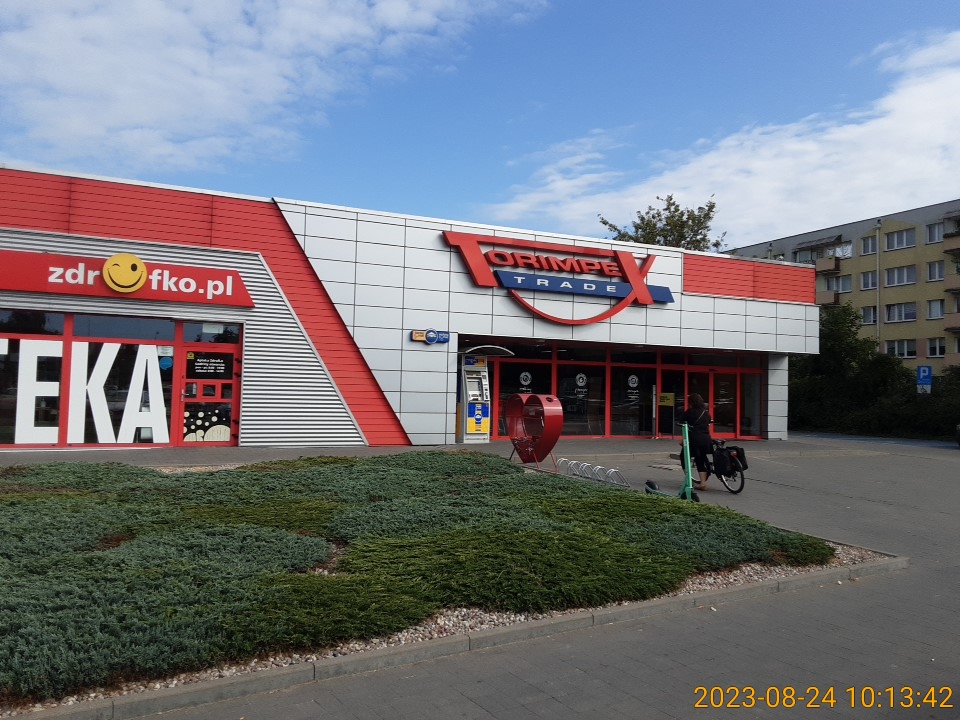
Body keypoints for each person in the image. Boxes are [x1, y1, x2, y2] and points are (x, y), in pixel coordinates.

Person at [679, 393, 712, 491]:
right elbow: (709, 421)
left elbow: (681, 422)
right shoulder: (705, 413)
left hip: (694, 440)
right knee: (700, 459)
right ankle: (703, 483)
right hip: (706, 439)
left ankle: (689, 481)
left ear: (691, 402)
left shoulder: (690, 412)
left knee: (683, 457)